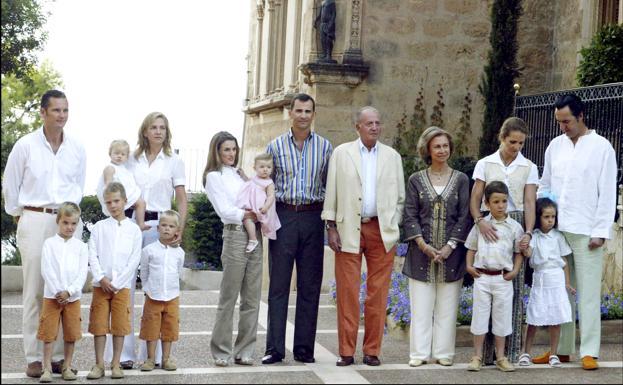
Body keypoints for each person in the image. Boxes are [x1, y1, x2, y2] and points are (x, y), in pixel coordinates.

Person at [2, 89, 86, 378]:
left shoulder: (76, 147)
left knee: (65, 289)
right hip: (35, 219)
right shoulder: (25, 146)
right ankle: (35, 357)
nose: (61, 115)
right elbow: (10, 186)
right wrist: (20, 214)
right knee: (36, 292)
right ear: (43, 112)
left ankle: (59, 357)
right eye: (56, 110)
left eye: (65, 110)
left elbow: (79, 185)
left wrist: (74, 220)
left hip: (66, 221)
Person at [533, 94, 617, 370]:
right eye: (559, 122)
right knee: (561, 292)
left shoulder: (602, 147)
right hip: (558, 230)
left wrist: (601, 231)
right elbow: (545, 185)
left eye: (566, 121)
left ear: (581, 116)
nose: (562, 127)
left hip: (586, 231)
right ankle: (563, 349)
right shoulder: (555, 146)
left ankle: (590, 351)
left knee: (589, 293)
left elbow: (607, 192)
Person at [322, 106, 405, 367]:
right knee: (347, 293)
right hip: (348, 229)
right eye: (369, 123)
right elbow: (332, 191)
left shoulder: (392, 156)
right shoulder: (342, 153)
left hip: (381, 230)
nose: (374, 127)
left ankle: (372, 351)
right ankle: (346, 351)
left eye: (378, 123)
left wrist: (393, 222)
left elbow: (400, 197)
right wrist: (331, 227)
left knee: (377, 294)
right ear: (357, 126)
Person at [105, 112, 188, 369]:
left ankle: (160, 356)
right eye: (154, 127)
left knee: (160, 291)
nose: (158, 131)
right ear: (145, 130)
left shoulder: (174, 161)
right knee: (124, 289)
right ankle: (124, 355)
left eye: (163, 127)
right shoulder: (130, 159)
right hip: (130, 225)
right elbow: (114, 188)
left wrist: (179, 230)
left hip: (159, 226)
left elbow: (182, 199)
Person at [263, 93, 333, 364]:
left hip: (313, 217)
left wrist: (330, 222)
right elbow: (266, 183)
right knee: (279, 285)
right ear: (290, 113)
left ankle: (304, 349)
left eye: (308, 111)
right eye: (299, 110)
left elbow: (330, 185)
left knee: (309, 285)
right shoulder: (275, 146)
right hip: (284, 215)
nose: (303, 115)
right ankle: (275, 349)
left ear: (313, 114)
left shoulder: (326, 147)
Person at [469, 117, 538, 364]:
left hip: (516, 224)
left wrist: (528, 233)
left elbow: (530, 202)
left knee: (513, 291)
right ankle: (482, 355)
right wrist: (480, 220)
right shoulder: (485, 163)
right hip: (487, 222)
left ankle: (505, 354)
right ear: (502, 137)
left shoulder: (529, 166)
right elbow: (476, 196)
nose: (517, 147)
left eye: (521, 143)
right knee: (487, 290)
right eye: (512, 142)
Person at [401, 127, 471, 367]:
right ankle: (419, 354)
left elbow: (464, 216)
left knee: (447, 309)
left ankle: (444, 354)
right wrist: (423, 244)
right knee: (420, 308)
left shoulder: (461, 179)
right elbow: (409, 215)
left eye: (445, 146)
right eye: (437, 146)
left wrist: (450, 246)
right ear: (428, 150)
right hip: (421, 254)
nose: (442, 150)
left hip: (452, 254)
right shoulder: (416, 179)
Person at [204, 131, 263, 366]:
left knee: (252, 297)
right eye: (226, 149)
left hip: (255, 234)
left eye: (234, 149)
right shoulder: (213, 177)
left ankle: (245, 350)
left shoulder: (239, 175)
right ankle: (221, 351)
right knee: (228, 297)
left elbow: (257, 197)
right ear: (217, 151)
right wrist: (248, 214)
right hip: (235, 235)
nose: (231, 153)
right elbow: (225, 210)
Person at [465, 181, 524, 372]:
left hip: (502, 279)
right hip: (482, 277)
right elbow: (471, 247)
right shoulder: (481, 225)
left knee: (502, 318)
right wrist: (469, 266)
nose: (500, 205)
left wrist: (514, 271)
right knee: (480, 317)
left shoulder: (514, 227)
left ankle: (501, 357)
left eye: (504, 201)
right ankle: (477, 356)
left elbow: (518, 253)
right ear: (487, 203)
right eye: (496, 202)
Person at [86, 183, 143, 380]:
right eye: (109, 202)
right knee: (99, 325)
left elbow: (134, 259)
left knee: (119, 326)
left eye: (117, 201)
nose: (113, 205)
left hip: (121, 287)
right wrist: (101, 277)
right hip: (101, 285)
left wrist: (117, 282)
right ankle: (99, 363)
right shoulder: (99, 228)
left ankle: (116, 363)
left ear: (125, 201)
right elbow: (92, 254)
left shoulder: (134, 230)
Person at [518, 198, 575, 368]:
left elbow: (563, 261)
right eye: (546, 217)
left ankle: (553, 354)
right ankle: (525, 353)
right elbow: (528, 254)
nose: (550, 220)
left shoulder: (558, 236)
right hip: (540, 280)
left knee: (555, 319)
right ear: (538, 217)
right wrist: (524, 246)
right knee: (534, 318)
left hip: (556, 280)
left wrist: (567, 283)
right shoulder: (534, 236)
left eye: (553, 217)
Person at [37, 202, 88, 383]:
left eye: (73, 223)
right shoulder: (49, 244)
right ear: (59, 221)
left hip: (72, 299)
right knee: (48, 333)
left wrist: (70, 291)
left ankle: (67, 366)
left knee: (71, 333)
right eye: (66, 222)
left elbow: (82, 273)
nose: (69, 227)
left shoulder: (81, 247)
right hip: (52, 296)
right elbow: (47, 269)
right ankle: (47, 368)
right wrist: (58, 291)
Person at [139, 210, 185, 372]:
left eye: (171, 226)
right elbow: (144, 271)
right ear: (158, 228)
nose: (167, 229)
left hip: (172, 296)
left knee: (169, 328)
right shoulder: (149, 250)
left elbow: (178, 271)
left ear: (176, 231)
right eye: (164, 225)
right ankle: (150, 359)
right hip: (153, 296)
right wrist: (147, 288)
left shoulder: (179, 253)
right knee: (151, 328)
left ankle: (166, 359)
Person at [97, 139, 149, 231]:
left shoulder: (123, 168)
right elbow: (108, 185)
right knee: (140, 203)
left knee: (141, 203)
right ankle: (139, 224)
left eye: (123, 154)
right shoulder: (110, 168)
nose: (119, 156)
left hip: (127, 196)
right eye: (116, 153)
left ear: (127, 157)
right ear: (110, 154)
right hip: (116, 197)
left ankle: (140, 224)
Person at [235, 152, 281, 252]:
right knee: (247, 219)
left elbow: (271, 196)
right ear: (254, 168)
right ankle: (253, 238)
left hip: (260, 208)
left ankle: (252, 239)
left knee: (248, 219)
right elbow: (248, 182)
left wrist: (266, 207)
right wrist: (243, 175)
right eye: (262, 166)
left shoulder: (269, 183)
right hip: (251, 205)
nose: (265, 169)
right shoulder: (254, 178)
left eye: (268, 167)